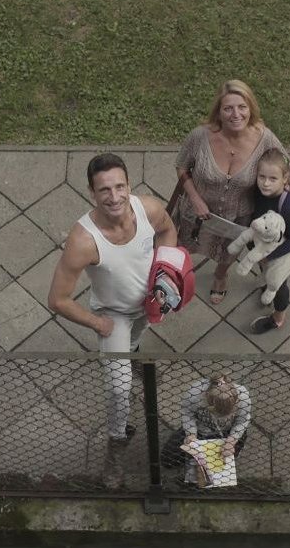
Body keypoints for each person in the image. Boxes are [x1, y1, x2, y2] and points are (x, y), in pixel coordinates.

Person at [47, 153, 177, 485]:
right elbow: (57, 300)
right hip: (113, 316)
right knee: (119, 391)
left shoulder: (147, 209)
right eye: (104, 190)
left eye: (120, 186)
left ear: (129, 185)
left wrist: (164, 275)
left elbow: (168, 230)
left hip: (148, 304)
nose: (114, 196)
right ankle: (116, 447)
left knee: (136, 339)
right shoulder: (83, 240)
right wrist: (97, 323)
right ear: (92, 193)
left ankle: (132, 355)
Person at [173, 79, 290, 305]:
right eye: (228, 108)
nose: (235, 114)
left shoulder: (264, 137)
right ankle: (178, 276)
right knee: (188, 245)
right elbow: (181, 165)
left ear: (251, 108)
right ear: (218, 111)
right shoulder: (200, 136)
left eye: (242, 107)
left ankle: (220, 276)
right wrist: (195, 198)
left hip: (238, 217)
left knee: (229, 251)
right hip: (198, 214)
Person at [246, 148, 290, 334]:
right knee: (266, 274)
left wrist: (268, 256)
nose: (265, 183)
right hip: (262, 246)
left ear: (285, 179)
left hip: (280, 251)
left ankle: (278, 318)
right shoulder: (258, 191)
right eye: (261, 176)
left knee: (279, 285)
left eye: (273, 179)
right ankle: (266, 282)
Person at [161, 373, 252, 476]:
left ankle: (230, 453)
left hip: (227, 432)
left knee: (225, 459)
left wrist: (231, 441)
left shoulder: (243, 395)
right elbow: (187, 413)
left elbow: (242, 420)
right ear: (207, 399)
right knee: (167, 460)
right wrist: (191, 434)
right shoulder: (194, 393)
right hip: (200, 430)